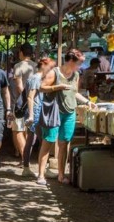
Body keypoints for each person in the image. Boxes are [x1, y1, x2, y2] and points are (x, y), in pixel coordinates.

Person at [37, 49, 92, 185]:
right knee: (48, 141)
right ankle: (40, 175)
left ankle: (61, 174)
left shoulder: (76, 75)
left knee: (65, 143)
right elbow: (41, 88)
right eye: (79, 63)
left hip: (70, 113)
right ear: (71, 61)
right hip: (54, 112)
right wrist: (57, 87)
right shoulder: (54, 72)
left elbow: (75, 93)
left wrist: (87, 102)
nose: (81, 66)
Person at [23, 57, 56, 180]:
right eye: (50, 66)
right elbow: (30, 97)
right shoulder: (36, 78)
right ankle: (38, 169)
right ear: (43, 65)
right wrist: (31, 115)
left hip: (37, 112)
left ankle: (28, 168)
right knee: (41, 141)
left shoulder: (36, 78)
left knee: (32, 141)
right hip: (36, 113)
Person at [9, 44, 37, 167]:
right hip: (36, 101)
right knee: (29, 131)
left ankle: (24, 159)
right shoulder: (37, 66)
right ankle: (27, 158)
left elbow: (20, 87)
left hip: (22, 102)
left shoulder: (18, 66)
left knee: (18, 130)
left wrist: (26, 98)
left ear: (21, 53)